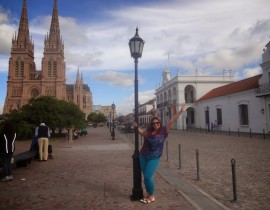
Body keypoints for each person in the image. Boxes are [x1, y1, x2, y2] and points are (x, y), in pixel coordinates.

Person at [133, 105, 186, 204]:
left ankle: (152, 195)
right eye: (154, 123)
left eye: (157, 123)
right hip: (143, 156)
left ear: (160, 123)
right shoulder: (149, 131)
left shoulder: (164, 131)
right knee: (145, 176)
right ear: (152, 124)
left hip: (154, 157)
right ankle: (148, 194)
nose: (155, 124)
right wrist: (136, 127)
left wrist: (180, 112)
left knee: (148, 176)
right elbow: (141, 133)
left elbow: (171, 121)